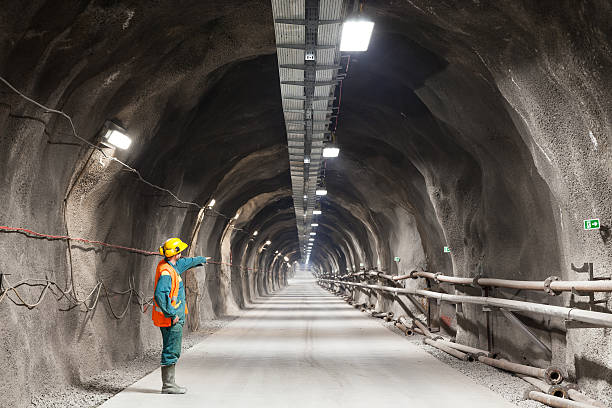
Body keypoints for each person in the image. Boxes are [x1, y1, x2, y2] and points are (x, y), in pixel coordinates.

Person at [152, 237, 208, 394]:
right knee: (171, 350)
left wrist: (201, 260)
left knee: (172, 349)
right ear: (176, 253)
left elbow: (185, 263)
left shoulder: (171, 266)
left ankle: (169, 384)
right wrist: (171, 314)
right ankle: (168, 385)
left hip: (172, 317)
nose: (182, 253)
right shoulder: (166, 272)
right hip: (171, 319)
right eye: (180, 251)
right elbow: (160, 294)